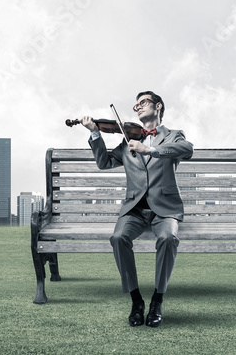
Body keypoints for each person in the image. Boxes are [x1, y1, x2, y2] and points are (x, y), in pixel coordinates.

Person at [81, 91, 193, 327]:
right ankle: (136, 300)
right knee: (118, 237)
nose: (138, 107)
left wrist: (150, 150)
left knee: (168, 238)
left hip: (164, 208)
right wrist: (94, 132)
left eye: (143, 102)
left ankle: (158, 300)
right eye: (136, 105)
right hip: (135, 208)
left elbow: (187, 149)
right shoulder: (126, 140)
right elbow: (104, 163)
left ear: (158, 106)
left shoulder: (173, 136)